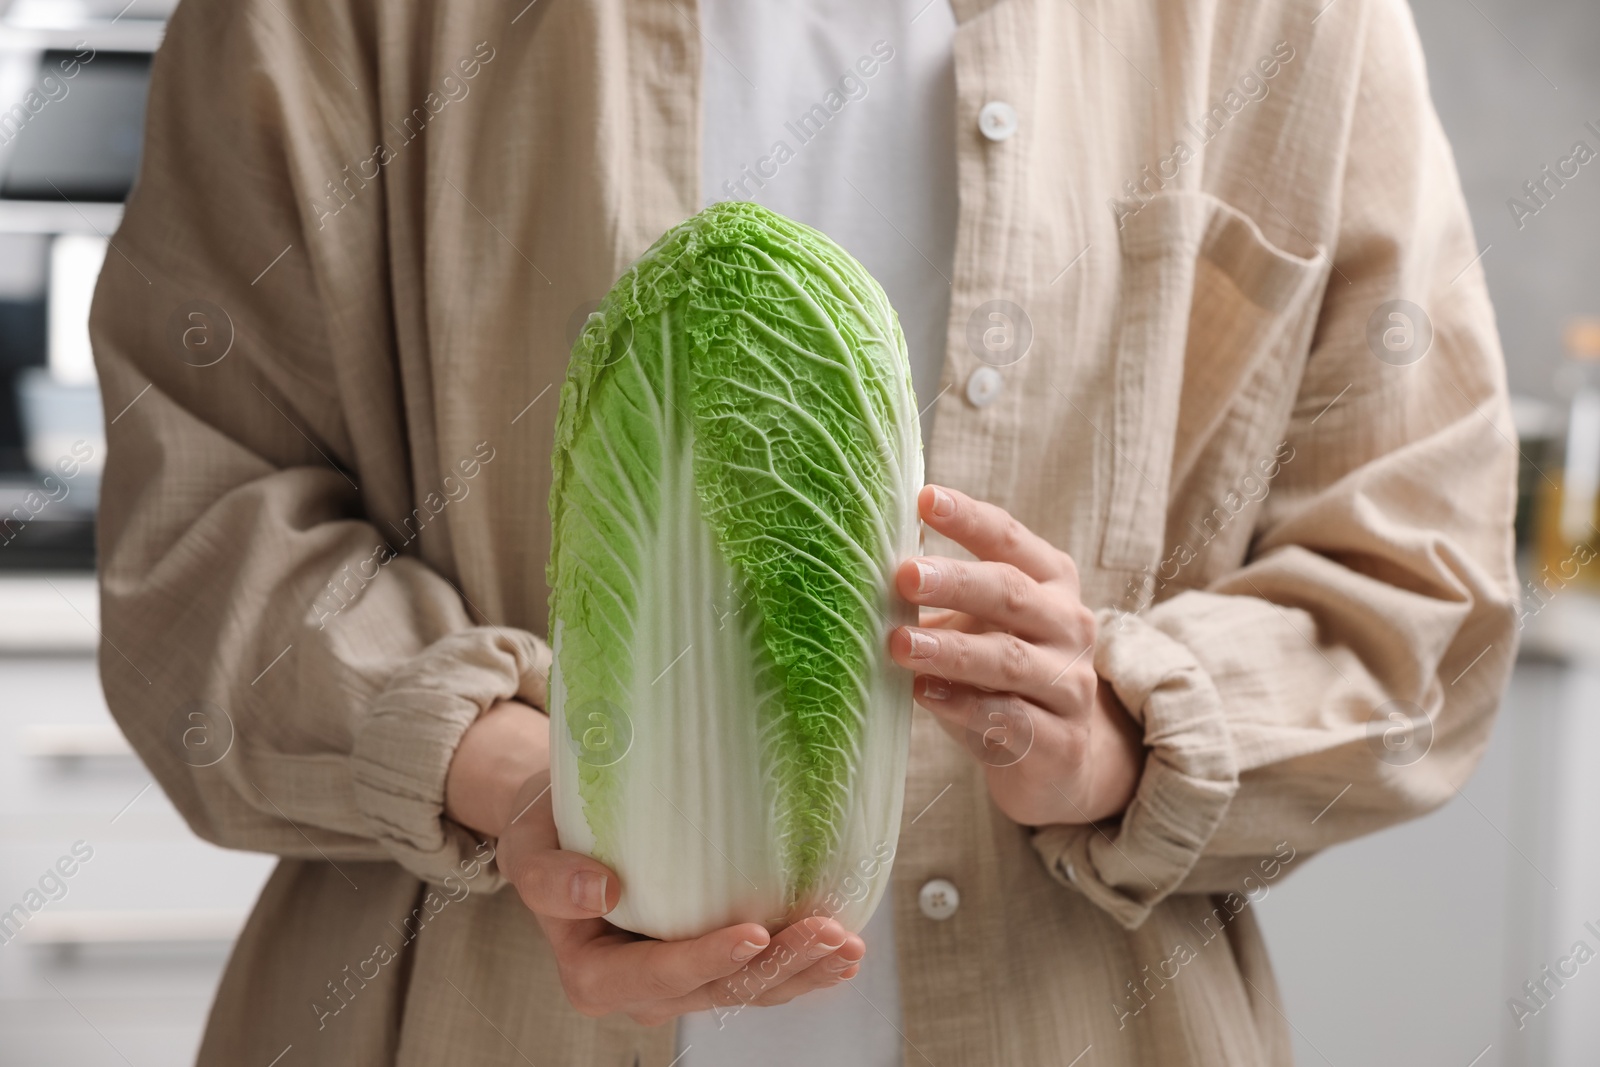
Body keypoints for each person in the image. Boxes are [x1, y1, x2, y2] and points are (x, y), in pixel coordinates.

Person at [90, 0, 1518, 1063]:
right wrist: (520, 775)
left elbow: (1415, 572)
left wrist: (1125, 733)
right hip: (463, 1014)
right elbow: (197, 520)